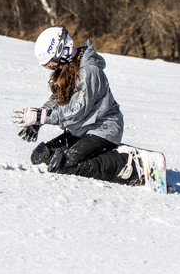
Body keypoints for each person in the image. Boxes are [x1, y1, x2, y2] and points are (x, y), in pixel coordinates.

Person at [12, 26, 144, 185]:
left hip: (103, 129)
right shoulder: (69, 67)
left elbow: (76, 111)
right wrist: (39, 117)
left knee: (63, 165)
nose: (52, 69)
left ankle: (125, 163)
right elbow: (57, 99)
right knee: (42, 156)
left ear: (62, 53)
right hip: (82, 129)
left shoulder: (89, 71)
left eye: (52, 65)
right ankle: (104, 154)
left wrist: (43, 117)